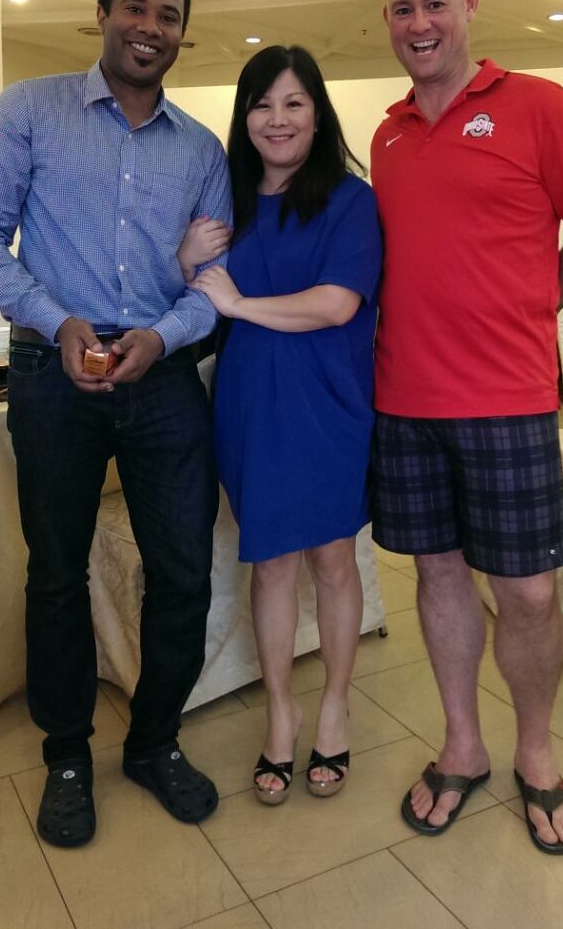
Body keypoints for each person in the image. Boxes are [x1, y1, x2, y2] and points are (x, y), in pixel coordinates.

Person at [0, 0, 232, 847]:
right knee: (56, 571)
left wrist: (163, 336)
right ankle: (67, 752)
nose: (150, 27)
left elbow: (214, 281)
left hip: (162, 377)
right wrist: (55, 319)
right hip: (51, 371)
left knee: (183, 571)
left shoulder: (201, 150)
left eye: (168, 15)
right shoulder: (28, 110)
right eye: (135, 8)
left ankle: (153, 740)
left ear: (182, 32)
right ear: (103, 14)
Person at [370, 0, 563, 854]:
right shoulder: (388, 135)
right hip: (405, 398)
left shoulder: (536, 105)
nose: (418, 24)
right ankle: (462, 745)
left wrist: (534, 296)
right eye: (401, 10)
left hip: (508, 400)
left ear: (469, 4)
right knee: (438, 577)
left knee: (525, 591)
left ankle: (536, 752)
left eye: (433, 4)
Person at [191, 45, 382, 804]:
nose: (277, 119)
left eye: (293, 102)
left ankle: (334, 704)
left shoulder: (350, 199)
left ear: (318, 114)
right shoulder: (227, 201)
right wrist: (184, 258)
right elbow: (194, 293)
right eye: (261, 104)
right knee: (269, 563)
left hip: (329, 399)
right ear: (244, 117)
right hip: (250, 403)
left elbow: (336, 303)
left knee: (333, 558)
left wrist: (240, 305)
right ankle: (281, 712)